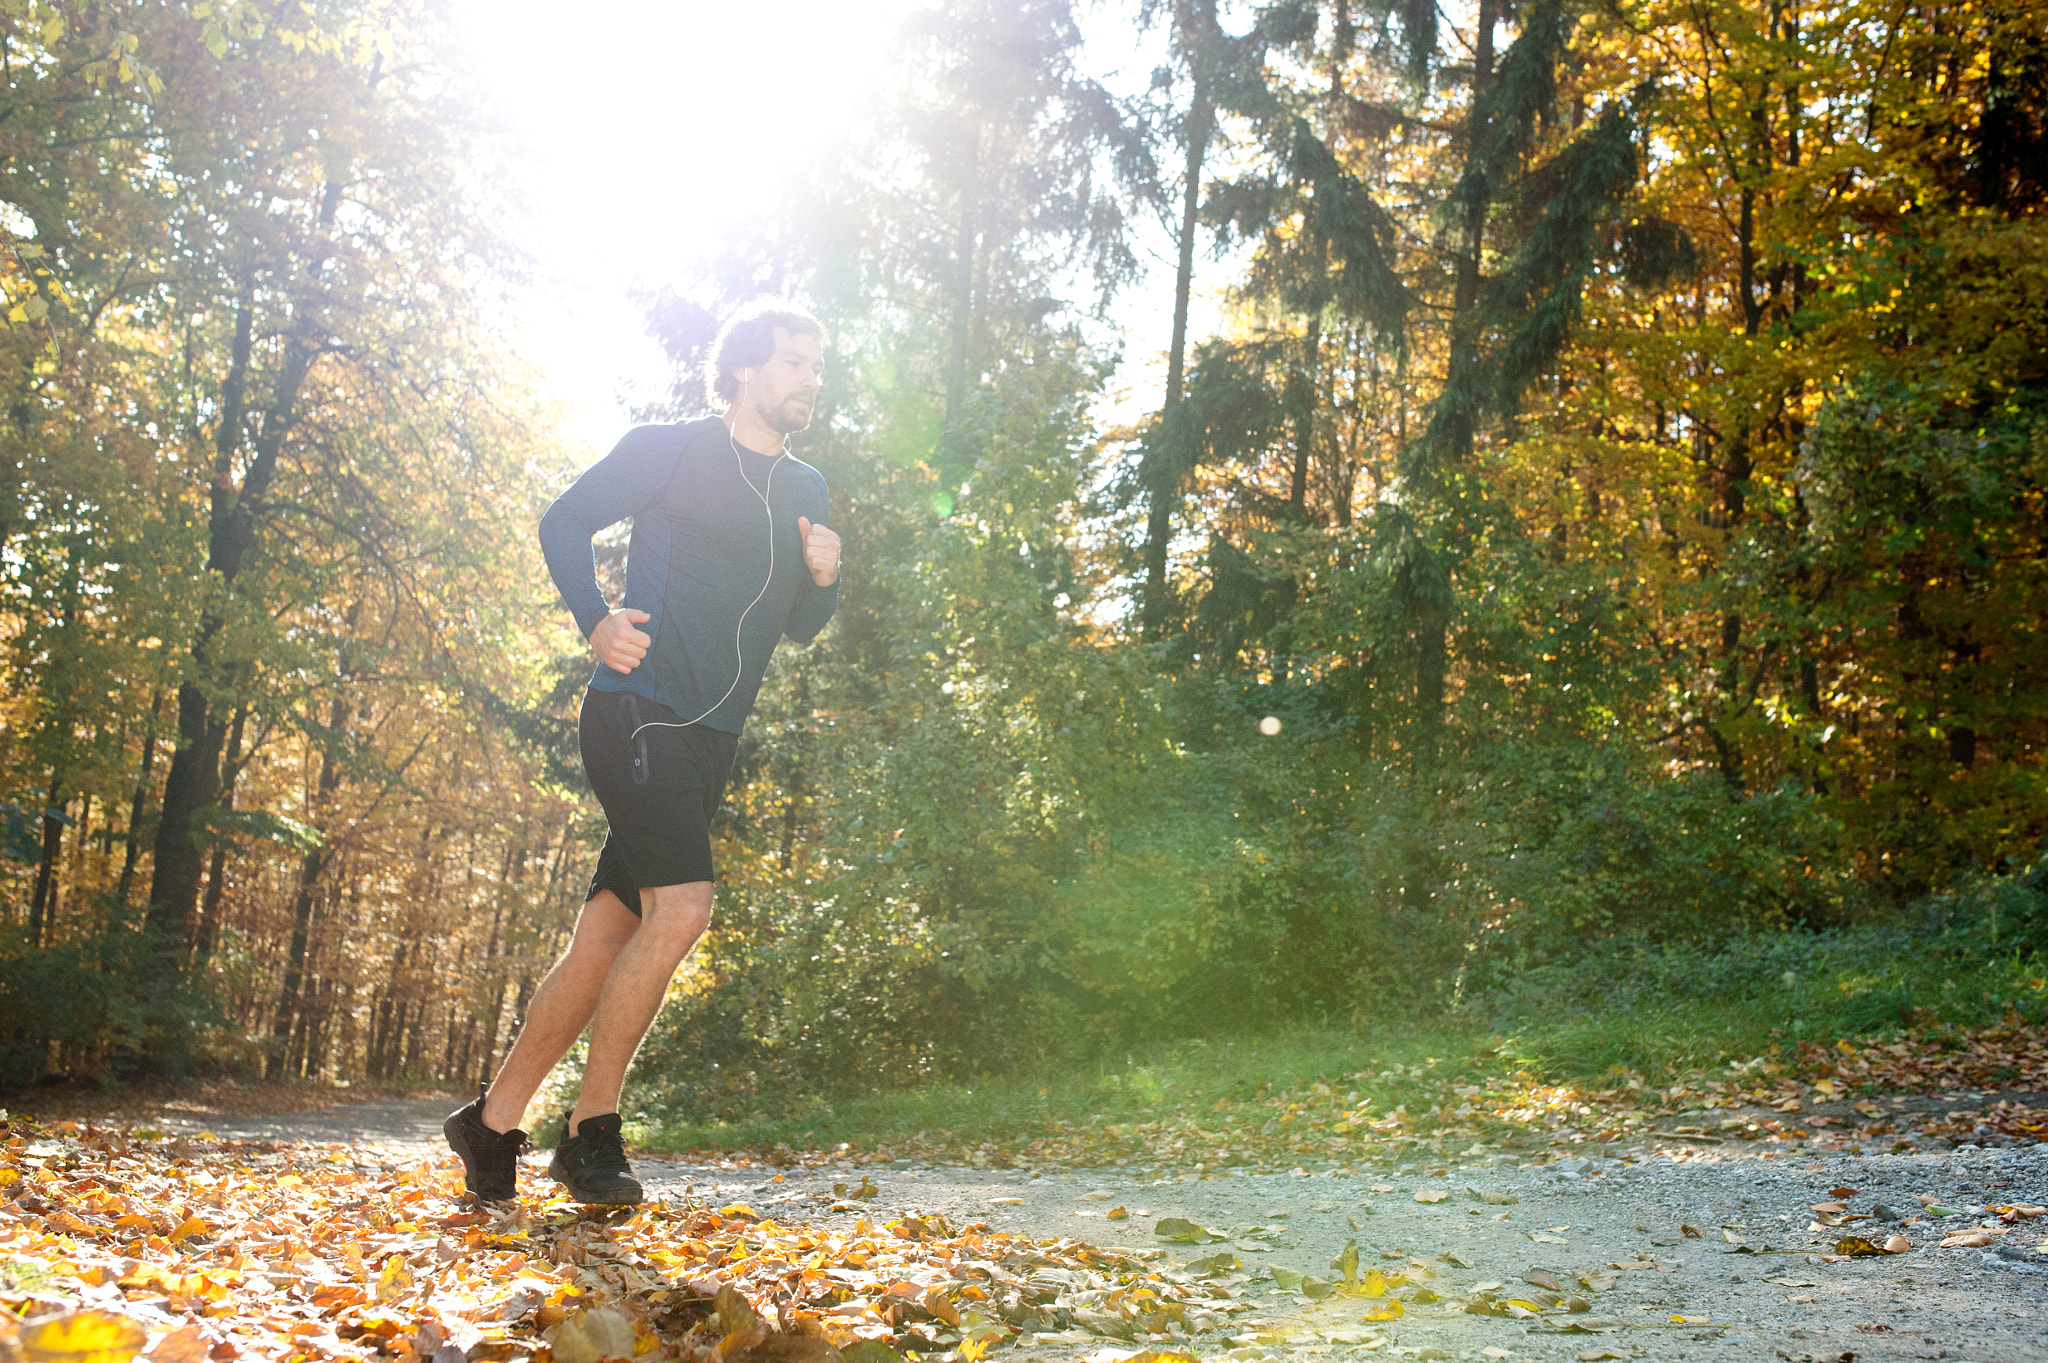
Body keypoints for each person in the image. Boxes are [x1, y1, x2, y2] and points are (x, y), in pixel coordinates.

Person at [442, 300, 842, 1204]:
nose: (807, 378)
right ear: (743, 370)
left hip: (709, 740)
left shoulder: (807, 489)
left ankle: (490, 1125)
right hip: (637, 712)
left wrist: (824, 578)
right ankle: (591, 1132)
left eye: (816, 364)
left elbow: (804, 630)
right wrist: (595, 619)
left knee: (609, 935)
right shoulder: (669, 448)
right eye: (790, 361)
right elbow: (563, 521)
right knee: (684, 906)